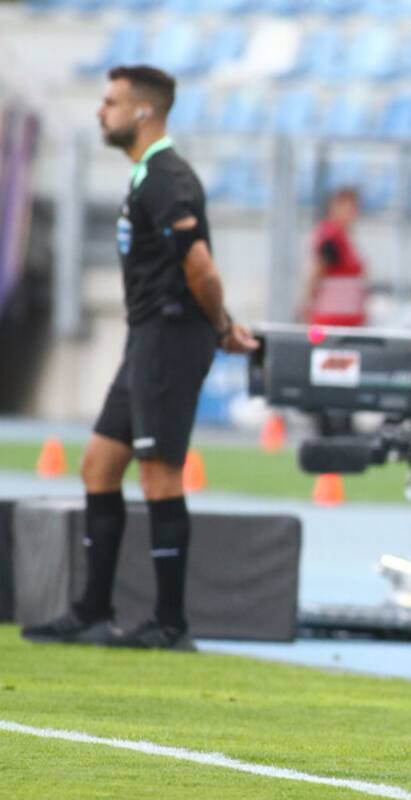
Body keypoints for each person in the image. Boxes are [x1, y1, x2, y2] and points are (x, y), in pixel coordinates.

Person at [21, 65, 257, 651]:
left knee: (159, 475)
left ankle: (169, 624)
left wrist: (221, 325)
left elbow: (199, 266)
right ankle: (93, 610)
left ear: (144, 112)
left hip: (171, 341)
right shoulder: (146, 175)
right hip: (146, 338)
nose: (101, 112)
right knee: (98, 465)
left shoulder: (168, 178)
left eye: (111, 102)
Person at [300, 186, 368, 329]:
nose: (352, 213)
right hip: (330, 320)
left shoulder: (344, 236)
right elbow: (317, 270)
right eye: (348, 207)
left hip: (346, 319)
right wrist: (307, 303)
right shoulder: (331, 236)